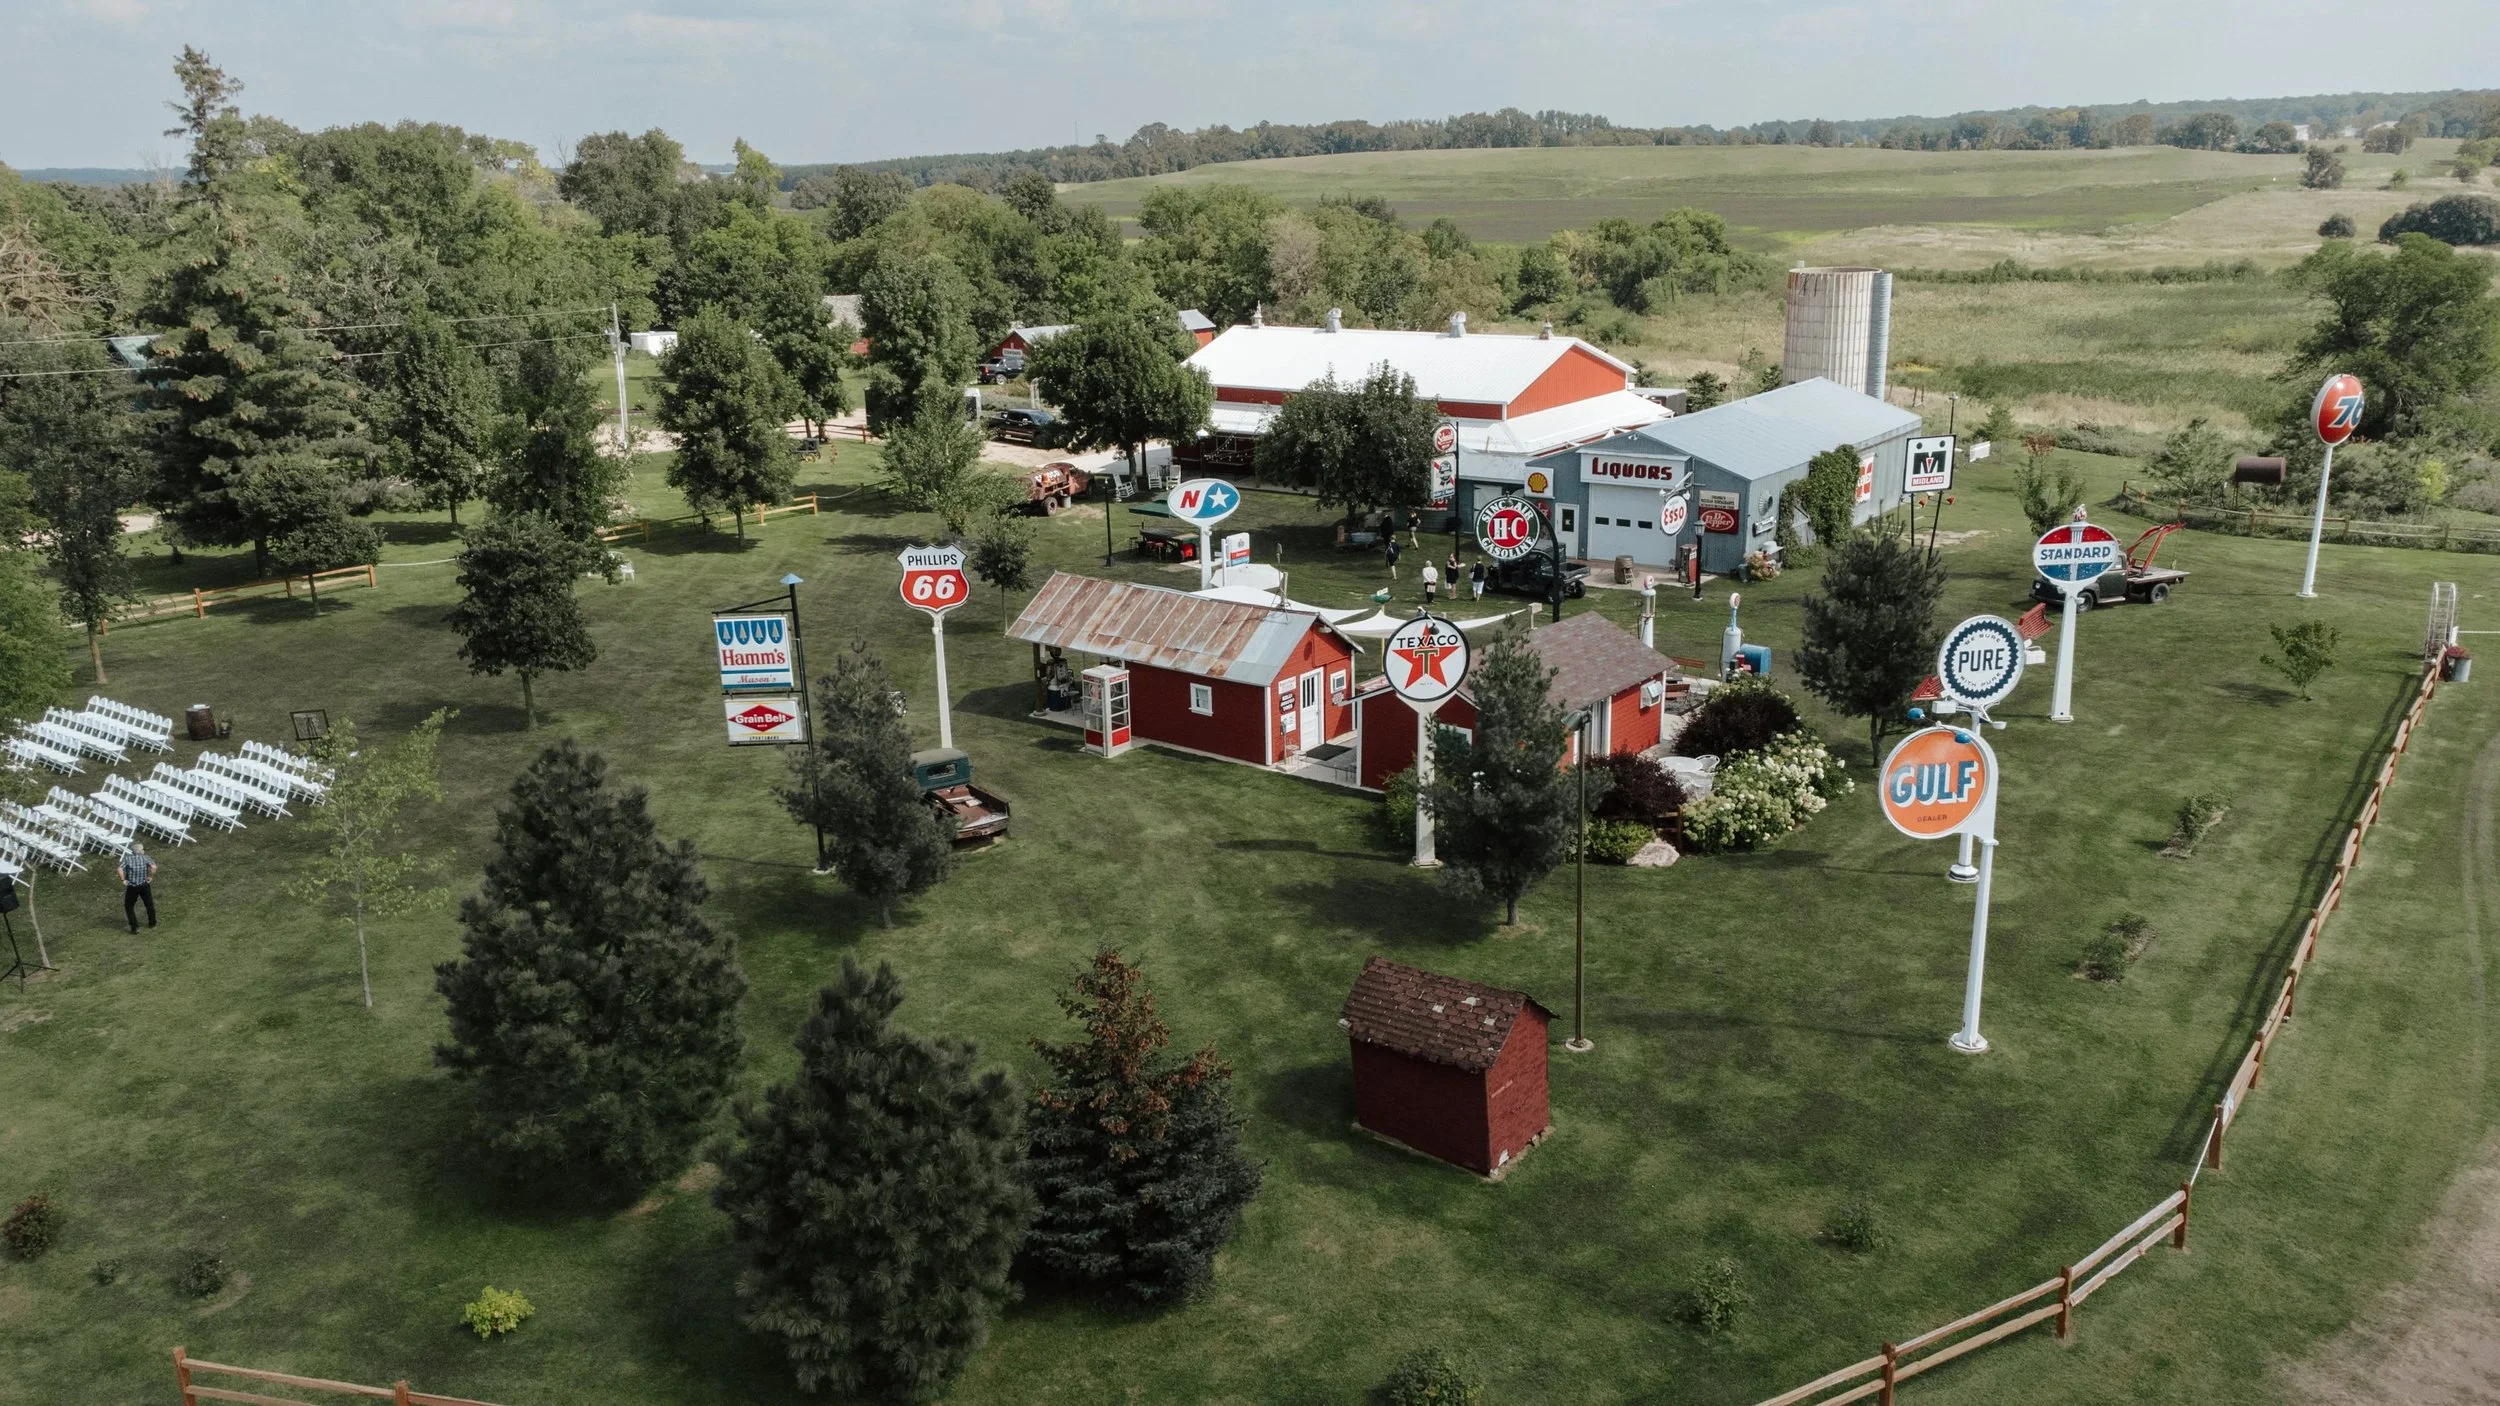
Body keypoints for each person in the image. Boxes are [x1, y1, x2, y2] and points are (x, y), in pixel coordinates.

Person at [121, 840, 157, 933]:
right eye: (142, 849)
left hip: (132, 886)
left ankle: (134, 927)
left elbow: (119, 868)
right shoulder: (146, 858)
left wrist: (123, 879)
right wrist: (150, 877)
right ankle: (152, 923)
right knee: (149, 904)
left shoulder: (127, 859)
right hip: (144, 885)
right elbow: (153, 867)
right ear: (140, 851)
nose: (144, 850)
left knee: (129, 906)